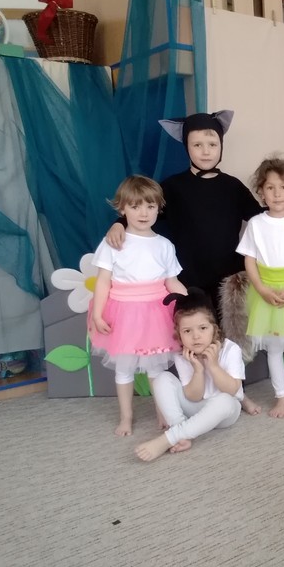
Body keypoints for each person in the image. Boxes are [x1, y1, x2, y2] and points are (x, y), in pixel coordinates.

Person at [104, 111, 284, 416]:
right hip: (188, 279)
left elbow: (264, 217)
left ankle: (238, 395)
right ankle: (197, 394)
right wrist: (119, 223)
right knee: (195, 339)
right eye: (197, 145)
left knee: (228, 344)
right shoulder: (172, 187)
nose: (206, 151)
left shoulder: (233, 186)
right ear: (187, 147)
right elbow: (144, 210)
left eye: (212, 144)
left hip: (228, 279)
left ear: (221, 146)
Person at [89, 175, 187, 436]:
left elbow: (172, 282)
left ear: (158, 208)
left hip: (157, 313)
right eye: (135, 206)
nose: (143, 213)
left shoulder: (164, 245)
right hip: (124, 314)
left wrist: (191, 305)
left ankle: (163, 411)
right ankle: (126, 416)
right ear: (122, 209)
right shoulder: (113, 243)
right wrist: (97, 314)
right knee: (125, 369)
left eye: (150, 206)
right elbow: (103, 281)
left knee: (157, 368)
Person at [236, 157, 284, 418]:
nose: (277, 193)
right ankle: (280, 396)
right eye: (270, 187)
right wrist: (260, 288)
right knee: (273, 348)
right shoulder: (256, 224)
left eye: (283, 187)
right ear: (261, 192)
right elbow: (249, 259)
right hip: (265, 291)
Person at [134, 288, 245, 462]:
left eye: (203, 328)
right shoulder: (183, 355)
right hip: (194, 408)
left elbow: (232, 390)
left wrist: (213, 366)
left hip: (224, 414)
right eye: (187, 331)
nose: (196, 336)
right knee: (162, 379)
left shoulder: (230, 349)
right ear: (179, 334)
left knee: (225, 400)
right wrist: (198, 370)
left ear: (214, 329)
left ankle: (170, 437)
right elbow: (193, 396)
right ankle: (180, 430)